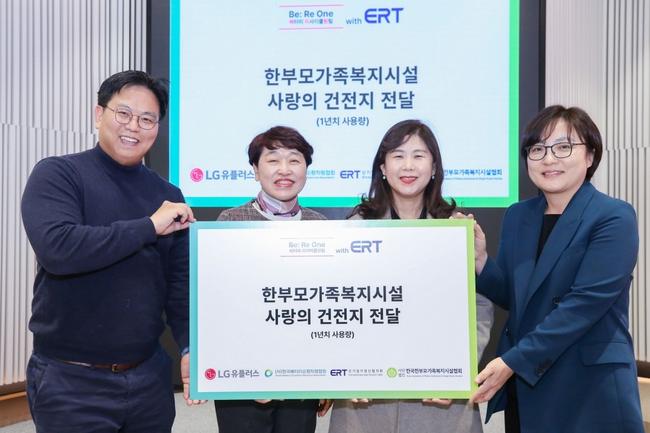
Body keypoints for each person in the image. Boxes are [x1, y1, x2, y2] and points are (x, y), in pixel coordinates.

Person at [21, 70, 203, 433]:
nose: (134, 126)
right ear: (98, 114)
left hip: (149, 377)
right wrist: (149, 226)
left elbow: (179, 285)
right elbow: (59, 249)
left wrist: (188, 347)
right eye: (124, 113)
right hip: (70, 380)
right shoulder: (58, 174)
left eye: (147, 119)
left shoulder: (168, 195)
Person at [468, 106, 644, 432]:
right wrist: (480, 261)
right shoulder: (518, 215)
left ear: (590, 155)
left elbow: (584, 305)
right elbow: (514, 297)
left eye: (563, 147)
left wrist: (512, 361)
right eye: (537, 149)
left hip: (588, 387)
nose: (549, 159)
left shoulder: (613, 216)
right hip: (528, 384)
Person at [328, 119, 494, 433]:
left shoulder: (456, 227)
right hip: (367, 403)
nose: (408, 165)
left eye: (418, 156)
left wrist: (460, 370)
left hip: (440, 400)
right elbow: (335, 307)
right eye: (398, 155)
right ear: (383, 167)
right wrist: (346, 371)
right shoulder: (354, 228)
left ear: (434, 167)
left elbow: (480, 306)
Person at [214, 125, 330, 433]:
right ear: (255, 170)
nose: (284, 170)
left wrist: (328, 377)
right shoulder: (229, 222)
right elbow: (219, 305)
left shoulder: (322, 227)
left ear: (306, 169)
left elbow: (327, 307)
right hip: (241, 375)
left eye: (294, 160)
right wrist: (248, 374)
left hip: (302, 373)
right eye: (273, 160)